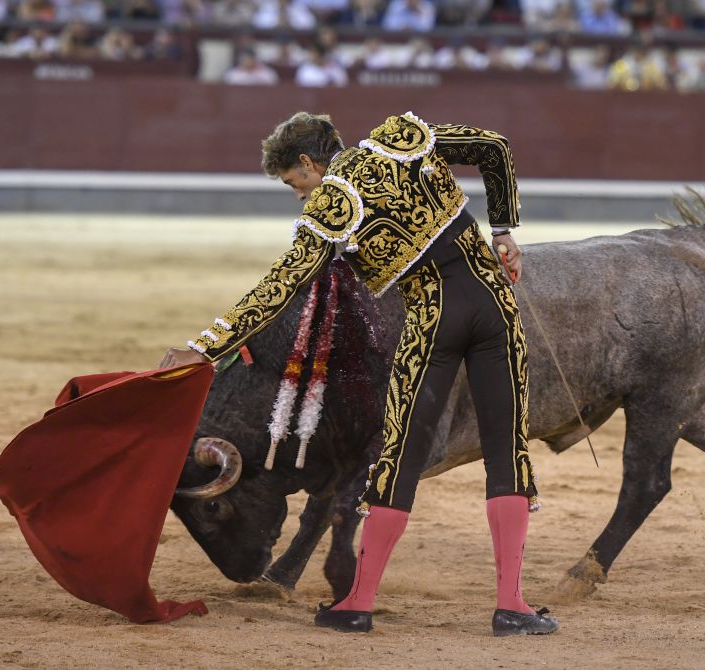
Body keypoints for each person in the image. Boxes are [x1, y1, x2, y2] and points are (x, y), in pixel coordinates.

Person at [159, 111, 558, 637]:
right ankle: (512, 608)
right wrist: (503, 230)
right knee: (507, 453)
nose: (299, 194)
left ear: (309, 163)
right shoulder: (401, 139)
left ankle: (357, 603)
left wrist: (205, 349)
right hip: (494, 308)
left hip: (433, 318)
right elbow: (494, 147)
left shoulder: (331, 205)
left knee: (399, 458)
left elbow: (280, 285)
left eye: (294, 182)